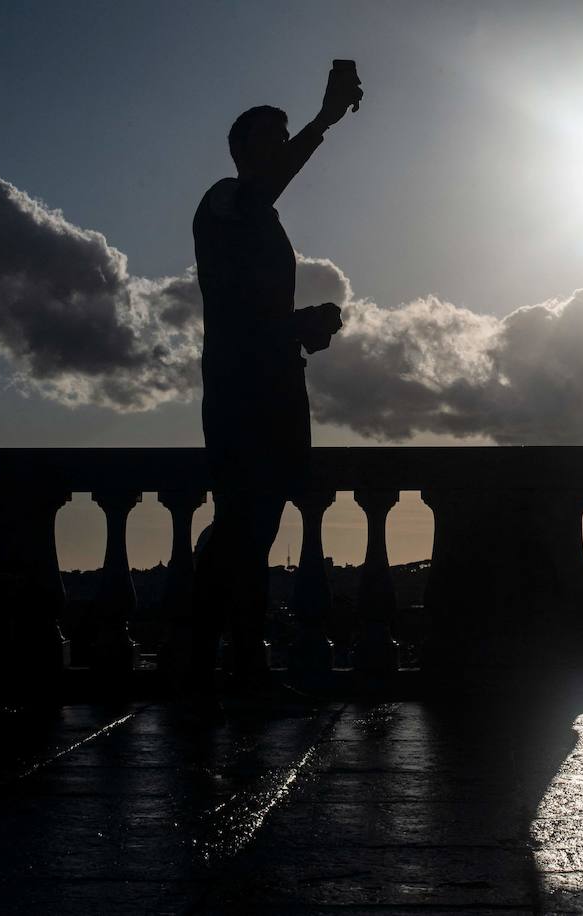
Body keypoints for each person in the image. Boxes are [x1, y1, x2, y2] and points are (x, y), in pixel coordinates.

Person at [187, 63, 364, 698]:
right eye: (273, 137)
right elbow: (241, 315)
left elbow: (251, 314)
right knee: (242, 522)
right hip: (244, 389)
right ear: (241, 150)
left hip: (269, 382)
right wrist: (322, 120)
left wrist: (299, 327)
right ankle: (220, 658)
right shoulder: (224, 199)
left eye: (285, 135)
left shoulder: (254, 214)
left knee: (254, 526)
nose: (282, 146)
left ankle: (232, 659)